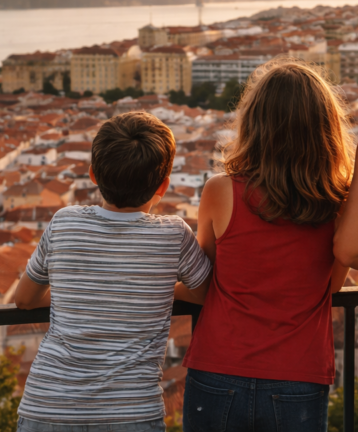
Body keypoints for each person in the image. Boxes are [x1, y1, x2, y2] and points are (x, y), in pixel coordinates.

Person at [181, 60, 358, 432]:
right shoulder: (339, 203)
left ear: (254, 124)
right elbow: (329, 285)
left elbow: (203, 277)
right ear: (325, 129)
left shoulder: (221, 191)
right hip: (298, 373)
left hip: (218, 367)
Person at [12, 112, 212, 432]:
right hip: (130, 413)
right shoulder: (174, 234)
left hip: (48, 407)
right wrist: (153, 290)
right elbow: (203, 294)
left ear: (93, 174)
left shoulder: (64, 222)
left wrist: (78, 293)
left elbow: (23, 299)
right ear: (163, 185)